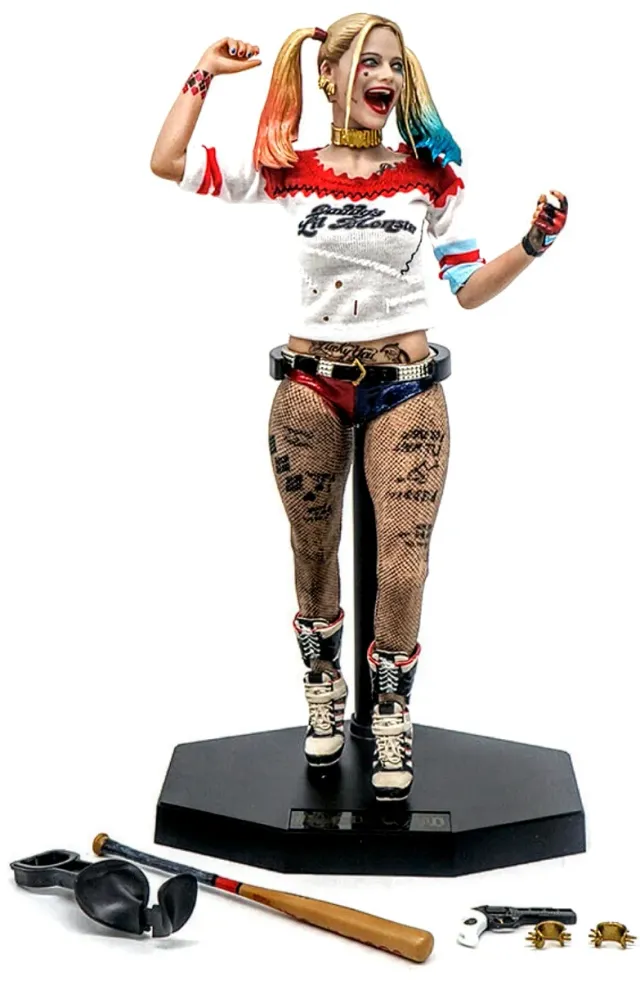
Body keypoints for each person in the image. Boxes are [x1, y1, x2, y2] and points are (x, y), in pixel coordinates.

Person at [150, 13, 568, 802]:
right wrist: (203, 72)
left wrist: (533, 244)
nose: (386, 78)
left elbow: (468, 287)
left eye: (397, 66)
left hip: (406, 386)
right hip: (310, 385)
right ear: (329, 74)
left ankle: (391, 711)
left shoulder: (427, 176)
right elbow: (168, 161)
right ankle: (323, 687)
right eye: (370, 62)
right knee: (313, 551)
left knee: (404, 564)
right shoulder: (289, 168)